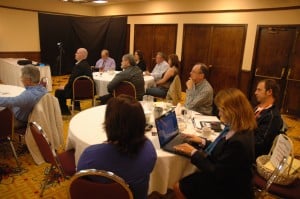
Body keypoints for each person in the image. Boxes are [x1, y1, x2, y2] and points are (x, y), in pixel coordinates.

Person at [173, 88, 257, 199]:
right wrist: (202, 141)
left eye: (221, 109)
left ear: (232, 111)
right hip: (228, 177)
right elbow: (222, 150)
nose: (219, 113)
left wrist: (193, 152)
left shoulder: (238, 142)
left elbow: (217, 172)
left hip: (230, 188)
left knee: (178, 186)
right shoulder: (237, 128)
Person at [77, 95, 157, 199]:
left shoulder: (90, 156)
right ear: (141, 123)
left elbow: (81, 184)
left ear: (109, 123)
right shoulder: (149, 150)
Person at [55, 48, 93, 115]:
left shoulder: (79, 66)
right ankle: (76, 106)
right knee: (74, 87)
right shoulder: (86, 64)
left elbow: (72, 81)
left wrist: (64, 87)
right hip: (88, 91)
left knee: (58, 92)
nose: (75, 54)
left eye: (77, 53)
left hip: (78, 92)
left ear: (82, 55)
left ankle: (64, 111)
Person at [254, 79, 283, 158]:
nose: (255, 92)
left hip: (254, 155)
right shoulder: (257, 107)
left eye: (259, 90)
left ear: (269, 92)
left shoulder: (272, 116)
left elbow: (260, 143)